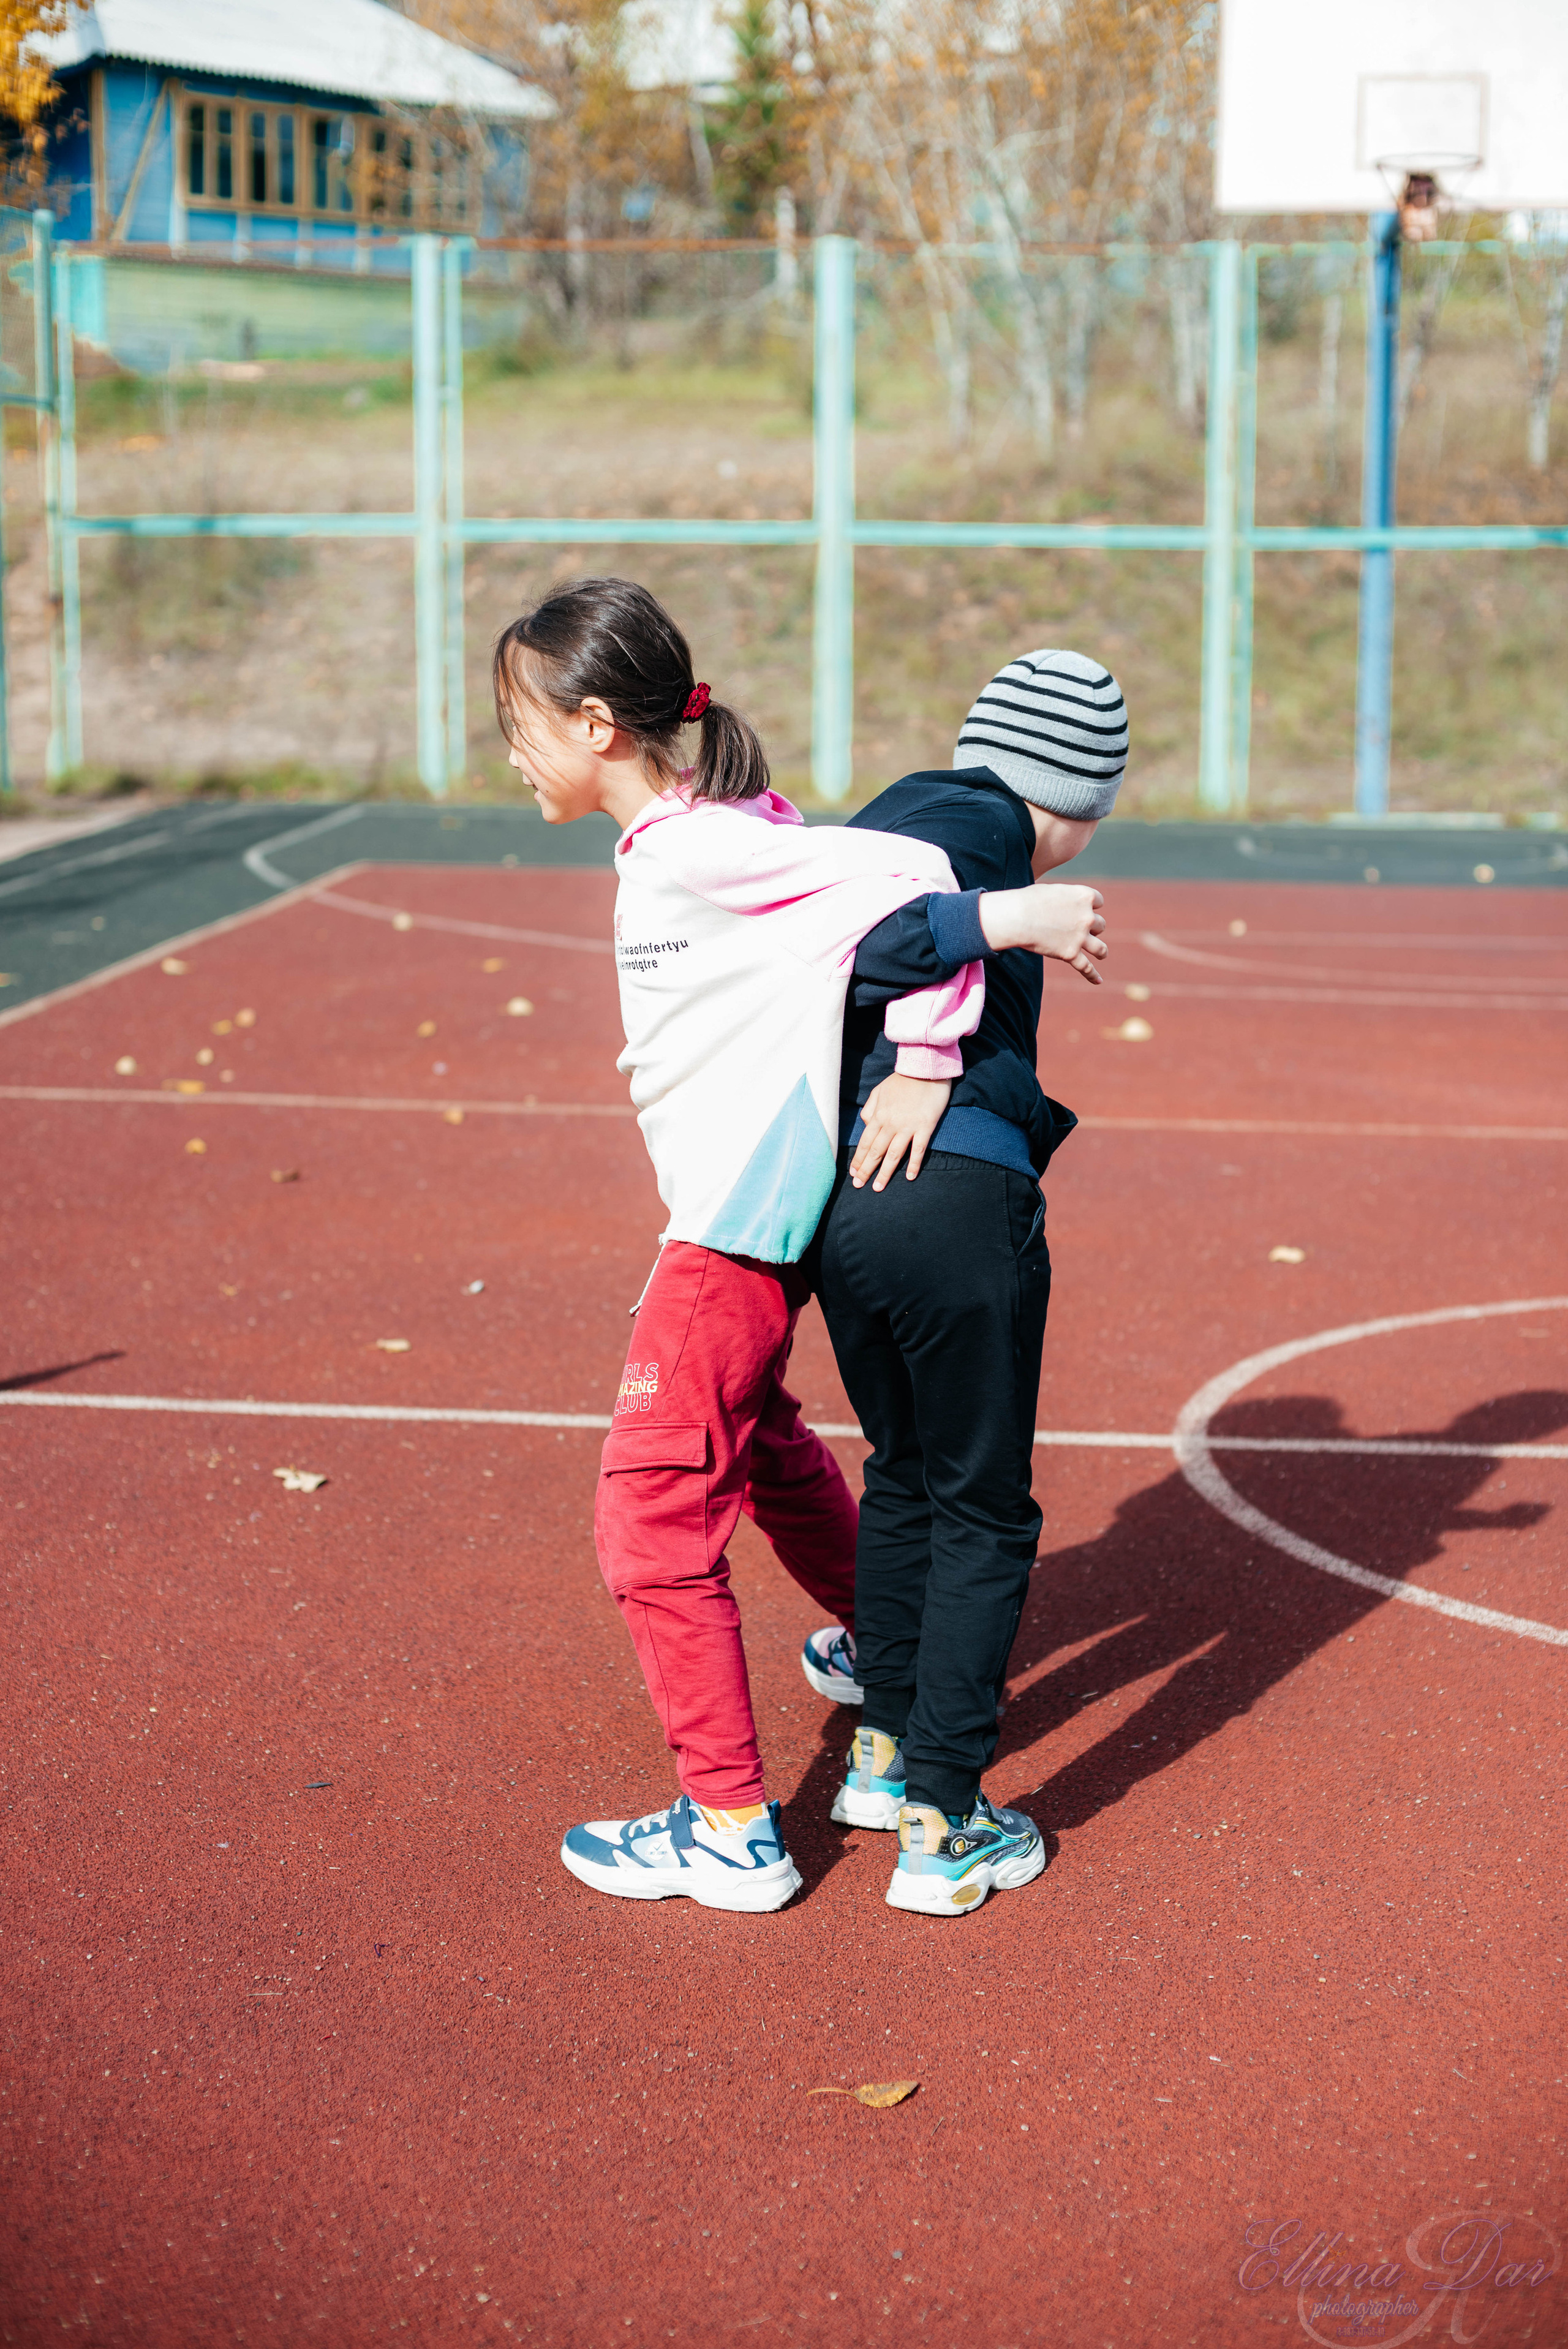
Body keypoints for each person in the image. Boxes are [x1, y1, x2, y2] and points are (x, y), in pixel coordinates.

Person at [491, 576, 986, 1914]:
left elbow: (919, 873)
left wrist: (929, 1057)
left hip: (726, 1240)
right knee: (757, 1441)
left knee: (648, 1523)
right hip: (731, 1230)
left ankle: (727, 1828)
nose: (511, 756)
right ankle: (889, 1648)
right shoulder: (704, 834)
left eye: (520, 726)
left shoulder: (696, 845)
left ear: (595, 724)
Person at [800, 647, 1128, 1917]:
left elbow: (840, 948)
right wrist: (936, 1048)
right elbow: (897, 931)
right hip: (953, 1198)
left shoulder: (905, 815)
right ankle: (943, 1822)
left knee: (901, 1471)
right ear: (1072, 799)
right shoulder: (971, 822)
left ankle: (881, 1753)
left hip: (850, 1203)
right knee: (984, 1509)